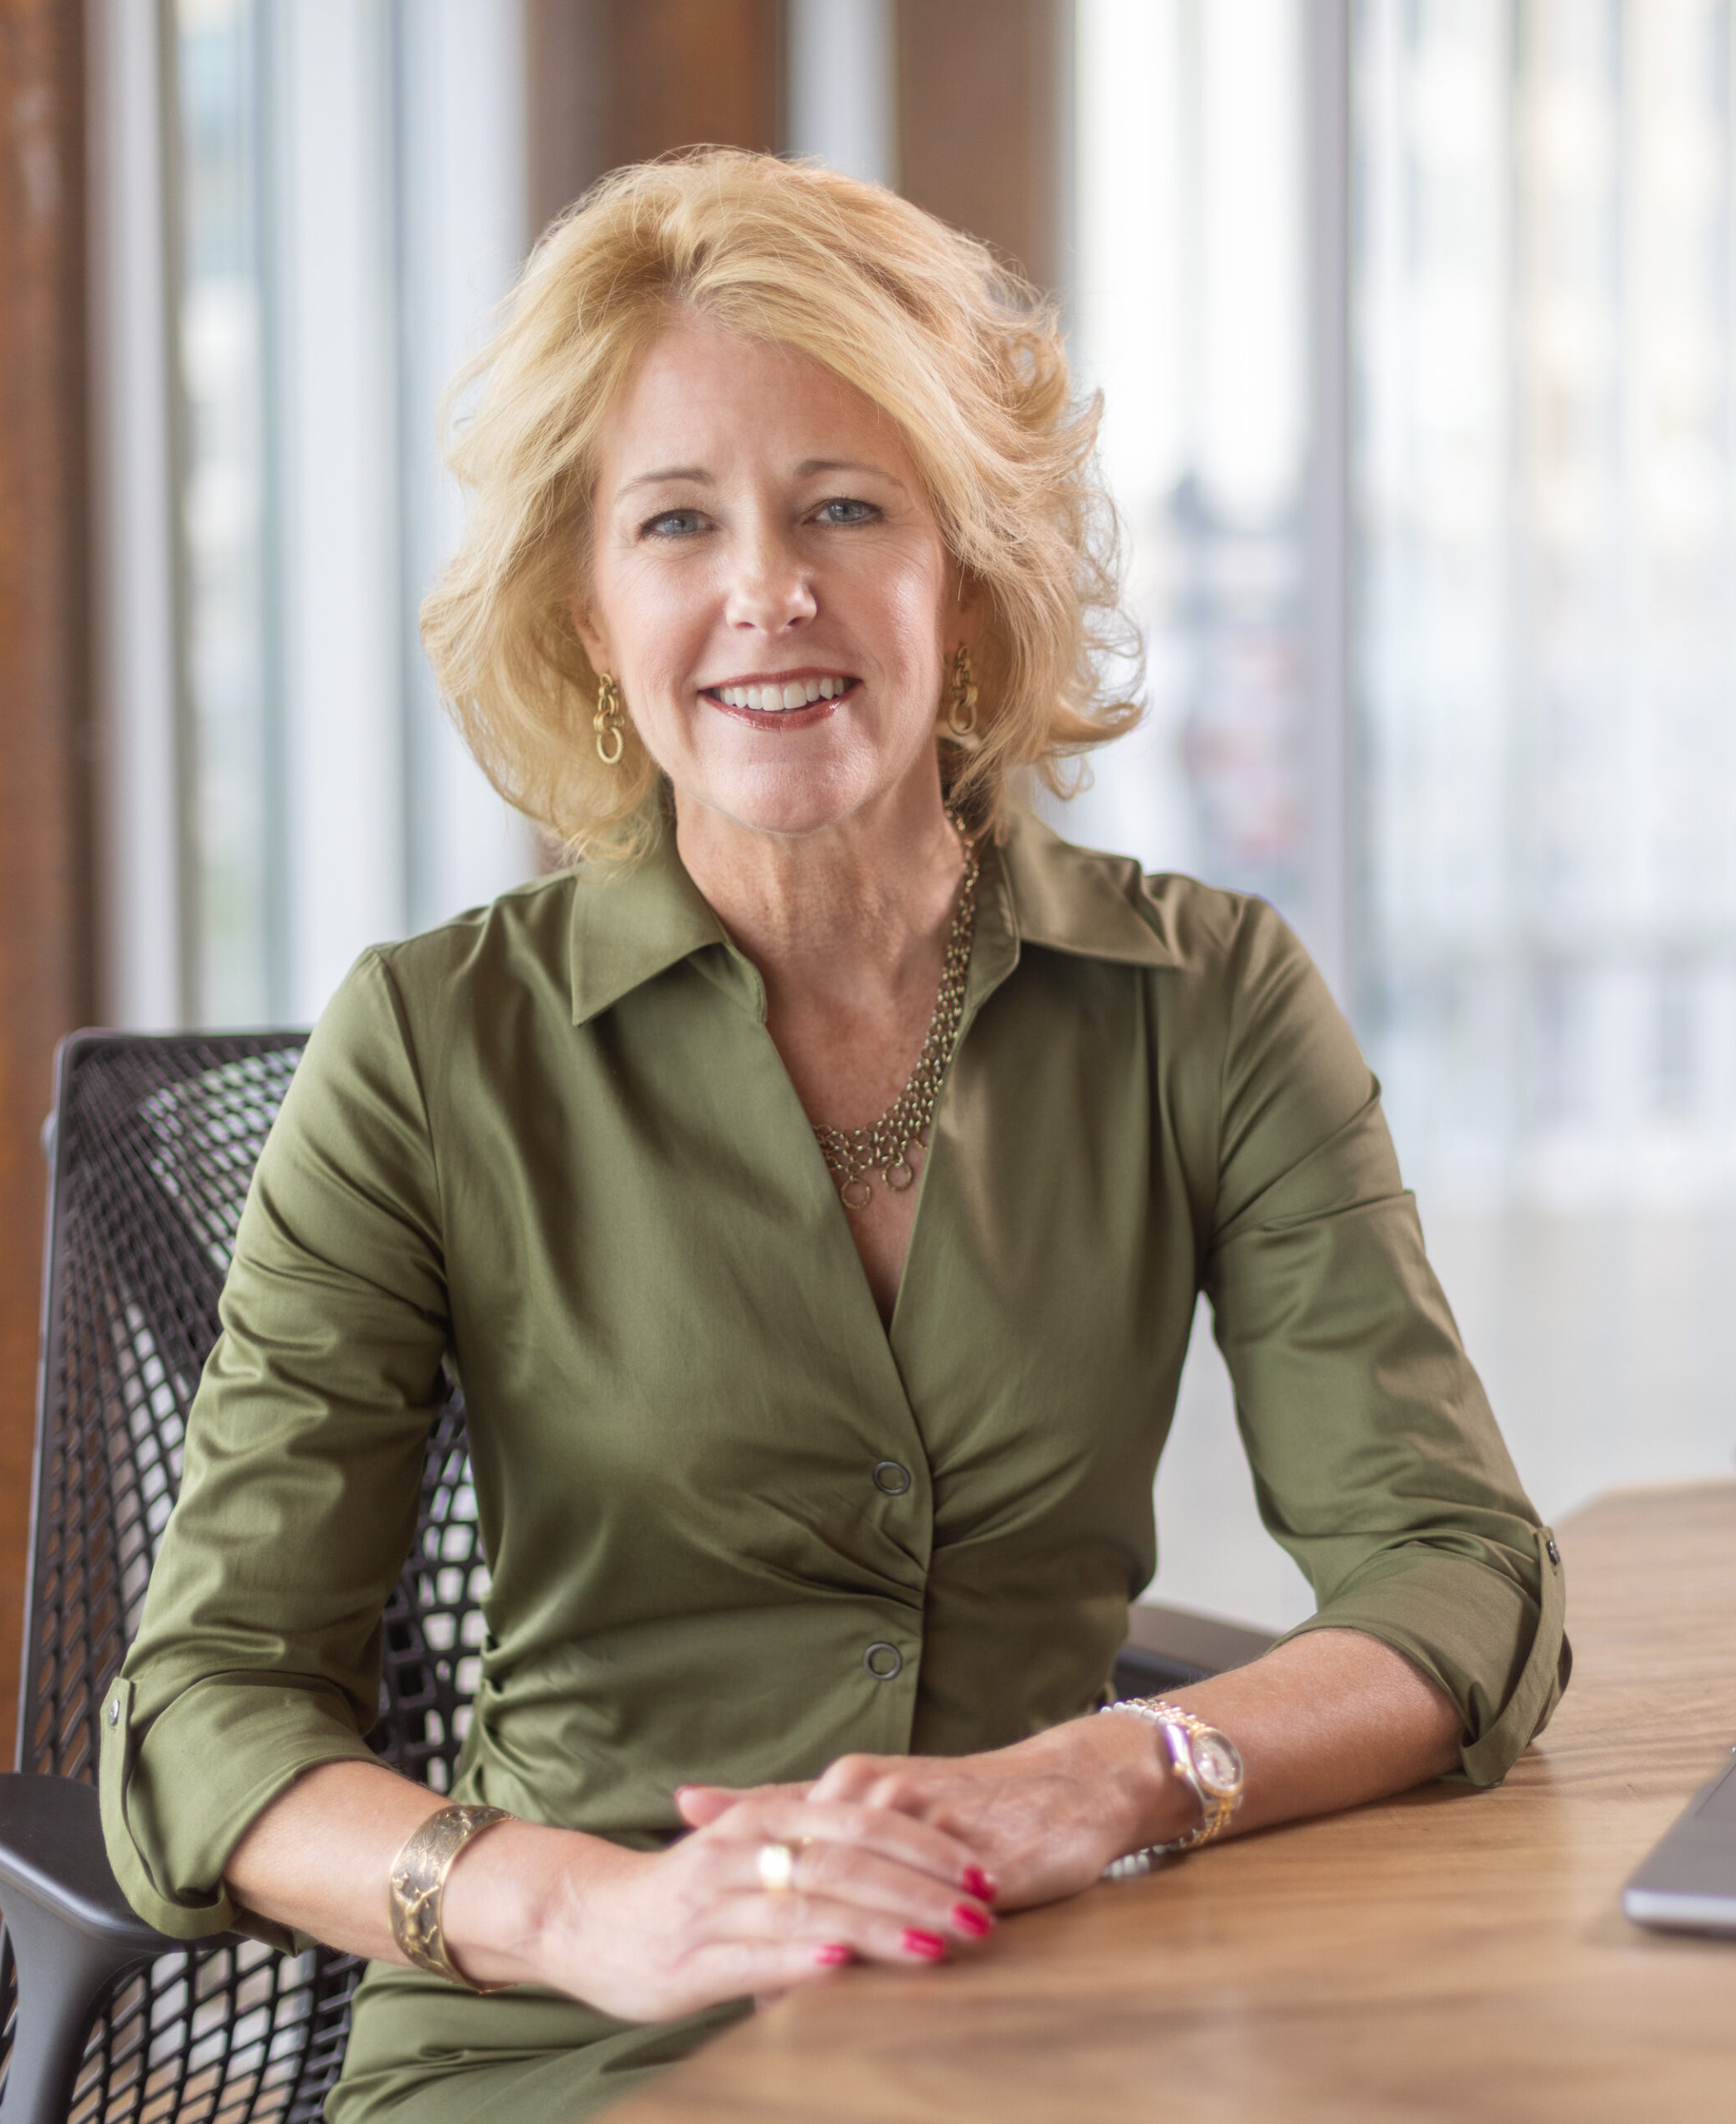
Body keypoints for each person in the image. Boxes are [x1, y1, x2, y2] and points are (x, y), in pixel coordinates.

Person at [100, 149, 1569, 2123]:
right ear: (587, 604)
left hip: (1044, 2007)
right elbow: (200, 1708)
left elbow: (1455, 1570)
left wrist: (1108, 1772)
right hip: (568, 2042)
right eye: (675, 520)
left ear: (963, 581)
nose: (764, 591)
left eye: (844, 507)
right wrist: (583, 1907)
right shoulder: (431, 1049)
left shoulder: (1201, 999)